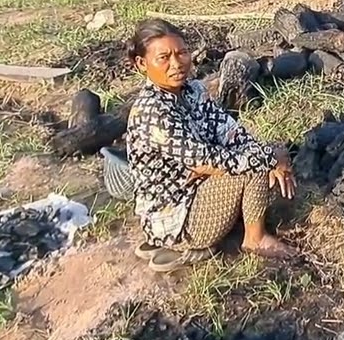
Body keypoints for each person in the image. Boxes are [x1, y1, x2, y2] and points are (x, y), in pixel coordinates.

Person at [124, 18, 298, 273]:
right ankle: (255, 238)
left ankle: (245, 216)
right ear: (142, 63)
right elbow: (207, 160)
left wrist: (267, 152)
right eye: (164, 58)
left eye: (182, 53)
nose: (177, 63)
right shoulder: (152, 112)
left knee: (258, 153)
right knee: (255, 164)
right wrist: (271, 158)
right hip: (177, 217)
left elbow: (230, 132)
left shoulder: (192, 90)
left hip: (198, 189)